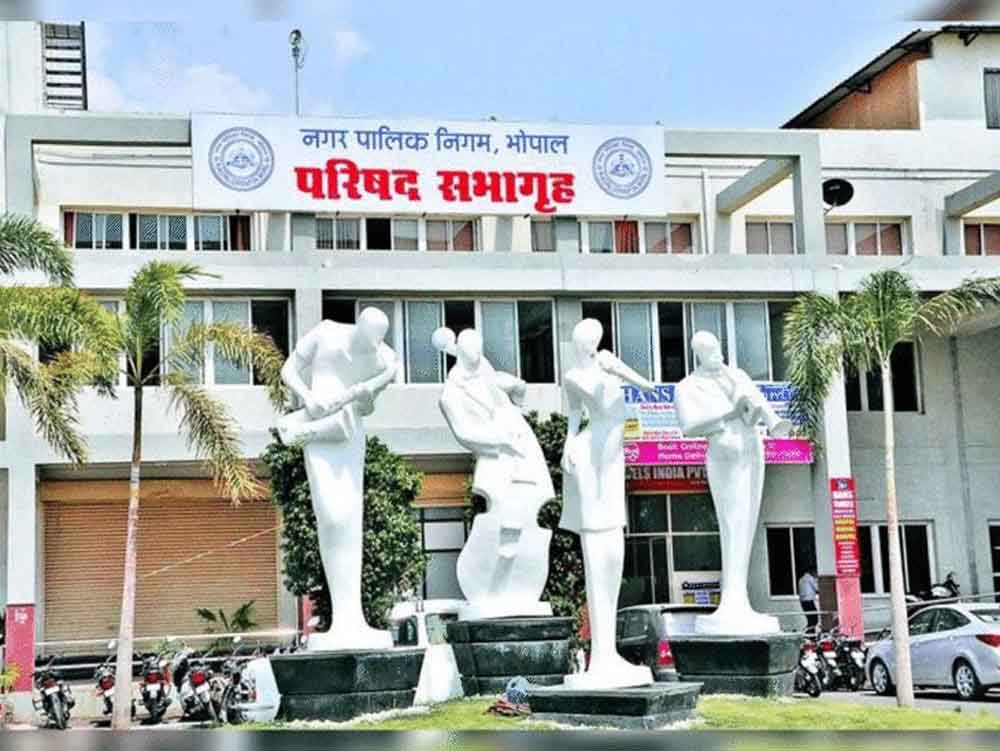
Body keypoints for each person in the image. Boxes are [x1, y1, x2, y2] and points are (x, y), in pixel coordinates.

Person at [276, 307, 398, 651]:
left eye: (378, 341)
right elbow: (288, 369)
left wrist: (366, 395)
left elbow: (368, 405)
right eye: (369, 339)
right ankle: (342, 616)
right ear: (359, 327)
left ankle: (352, 618)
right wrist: (308, 396)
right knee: (330, 516)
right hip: (318, 431)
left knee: (350, 518)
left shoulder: (383, 358)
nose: (372, 346)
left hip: (348, 434)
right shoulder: (326, 332)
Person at [559, 318, 656, 690]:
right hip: (592, 454)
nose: (591, 345)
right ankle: (600, 655)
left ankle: (608, 652)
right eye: (587, 340)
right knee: (597, 548)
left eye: (594, 340)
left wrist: (620, 370)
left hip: (614, 458)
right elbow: (575, 414)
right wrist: (568, 444)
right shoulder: (574, 377)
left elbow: (645, 387)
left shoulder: (608, 366)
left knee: (614, 553)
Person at [432, 327, 554, 619]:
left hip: (525, 452)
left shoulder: (487, 372)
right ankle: (491, 582)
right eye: (471, 351)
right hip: (496, 457)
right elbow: (464, 433)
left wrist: (518, 386)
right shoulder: (451, 393)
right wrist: (500, 441)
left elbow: (517, 400)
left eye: (479, 349)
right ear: (460, 352)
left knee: (527, 511)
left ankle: (522, 580)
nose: (478, 356)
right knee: (501, 516)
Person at [675, 330, 790, 635]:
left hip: (751, 449)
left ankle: (740, 597)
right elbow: (689, 426)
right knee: (732, 524)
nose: (719, 357)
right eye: (712, 352)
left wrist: (761, 415)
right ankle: (731, 598)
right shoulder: (687, 386)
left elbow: (754, 405)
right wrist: (730, 411)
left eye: (719, 350)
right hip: (724, 457)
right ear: (699, 354)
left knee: (747, 523)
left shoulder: (736, 375)